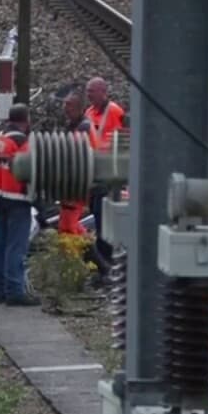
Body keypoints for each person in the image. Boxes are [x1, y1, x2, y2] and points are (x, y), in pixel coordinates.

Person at [0, 104, 39, 306]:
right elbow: (30, 170)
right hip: (17, 198)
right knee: (16, 247)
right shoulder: (21, 141)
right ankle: (14, 291)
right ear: (25, 120)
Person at [83, 77, 127, 271]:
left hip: (108, 177)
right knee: (96, 216)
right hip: (93, 175)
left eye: (91, 91)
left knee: (104, 222)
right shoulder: (89, 113)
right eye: (87, 91)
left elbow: (125, 141)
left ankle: (107, 264)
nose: (88, 95)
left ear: (103, 92)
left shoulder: (115, 112)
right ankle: (102, 265)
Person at [57, 88, 91, 235]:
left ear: (78, 106)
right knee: (66, 225)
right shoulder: (72, 126)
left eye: (68, 105)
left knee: (69, 225)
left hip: (77, 184)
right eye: (65, 104)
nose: (65, 108)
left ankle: (87, 252)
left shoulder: (83, 127)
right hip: (70, 184)